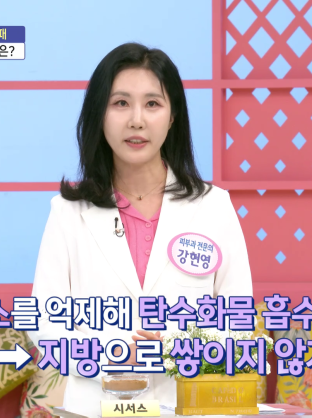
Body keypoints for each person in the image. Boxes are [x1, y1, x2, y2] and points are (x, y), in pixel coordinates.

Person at [27, 42, 253, 416]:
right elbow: (43, 322)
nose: (136, 120)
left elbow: (238, 321)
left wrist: (171, 347)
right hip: (95, 407)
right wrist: (110, 354)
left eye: (152, 104)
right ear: (99, 114)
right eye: (120, 103)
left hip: (187, 405)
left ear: (173, 115)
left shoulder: (214, 206)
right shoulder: (68, 211)